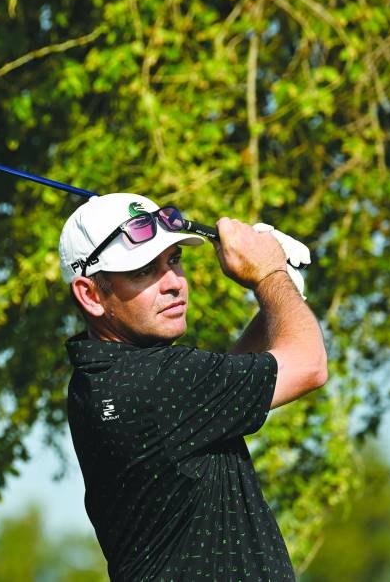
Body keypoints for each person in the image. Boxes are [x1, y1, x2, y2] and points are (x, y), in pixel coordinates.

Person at [58, 193, 328, 581]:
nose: (174, 283)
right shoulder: (158, 380)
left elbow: (226, 387)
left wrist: (282, 292)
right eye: (142, 271)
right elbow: (309, 366)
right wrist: (269, 275)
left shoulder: (100, 378)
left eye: (174, 260)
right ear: (90, 294)